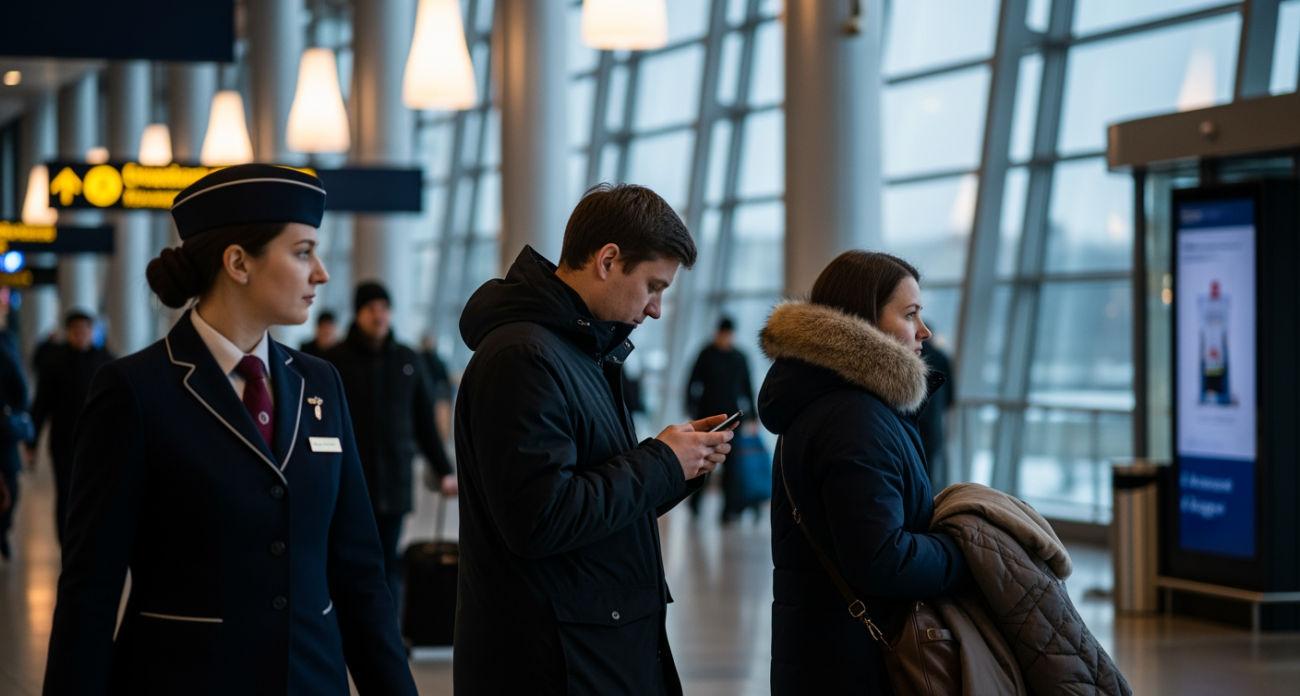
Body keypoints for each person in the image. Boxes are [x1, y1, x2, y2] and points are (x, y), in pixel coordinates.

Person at [42, 164, 418, 695]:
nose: (322, 274)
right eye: (303, 252)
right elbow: (91, 589)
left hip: (311, 680)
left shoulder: (320, 384)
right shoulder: (135, 391)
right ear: (238, 262)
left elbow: (358, 573)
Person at [454, 183, 735, 696]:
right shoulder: (525, 357)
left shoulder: (582, 352)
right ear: (608, 260)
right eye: (654, 286)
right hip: (557, 660)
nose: (654, 309)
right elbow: (541, 520)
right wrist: (660, 461)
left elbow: (598, 498)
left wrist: (681, 465)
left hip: (588, 647)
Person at [757, 250, 967, 694]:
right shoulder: (854, 418)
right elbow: (880, 558)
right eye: (910, 315)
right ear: (863, 322)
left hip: (825, 654)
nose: (924, 332)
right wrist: (961, 554)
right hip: (852, 664)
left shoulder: (831, 404)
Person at [325, 282, 456, 607]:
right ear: (358, 314)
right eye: (372, 308)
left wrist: (443, 470)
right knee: (351, 560)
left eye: (384, 308)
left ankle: (388, 636)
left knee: (387, 558)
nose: (379, 315)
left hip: (394, 480)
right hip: (351, 480)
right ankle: (348, 631)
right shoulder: (336, 361)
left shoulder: (406, 359)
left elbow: (424, 420)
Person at [27, 310, 115, 543]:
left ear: (92, 332)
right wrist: (31, 441)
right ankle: (66, 541)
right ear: (67, 333)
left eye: (85, 330)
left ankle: (93, 538)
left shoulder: (106, 361)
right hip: (64, 442)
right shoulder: (54, 362)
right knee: (66, 493)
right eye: (76, 331)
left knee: (97, 493)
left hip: (99, 443)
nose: (81, 335)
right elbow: (42, 404)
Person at [685, 316, 756, 521]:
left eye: (729, 335)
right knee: (703, 461)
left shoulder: (739, 357)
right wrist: (690, 406)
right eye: (723, 334)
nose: (725, 338)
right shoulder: (706, 354)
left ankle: (729, 510)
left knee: (732, 465)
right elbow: (692, 382)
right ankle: (695, 504)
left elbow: (747, 387)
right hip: (707, 417)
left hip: (733, 420)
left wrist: (753, 416)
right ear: (717, 333)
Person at [0, 338, 26, 561]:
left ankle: (3, 530)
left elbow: (21, 393)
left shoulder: (4, 354)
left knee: (11, 486)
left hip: (2, 435)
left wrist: (10, 414)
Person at [918, 336, 955, 493]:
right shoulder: (941, 356)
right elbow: (950, 397)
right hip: (933, 425)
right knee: (929, 471)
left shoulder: (911, 355)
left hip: (912, 421)